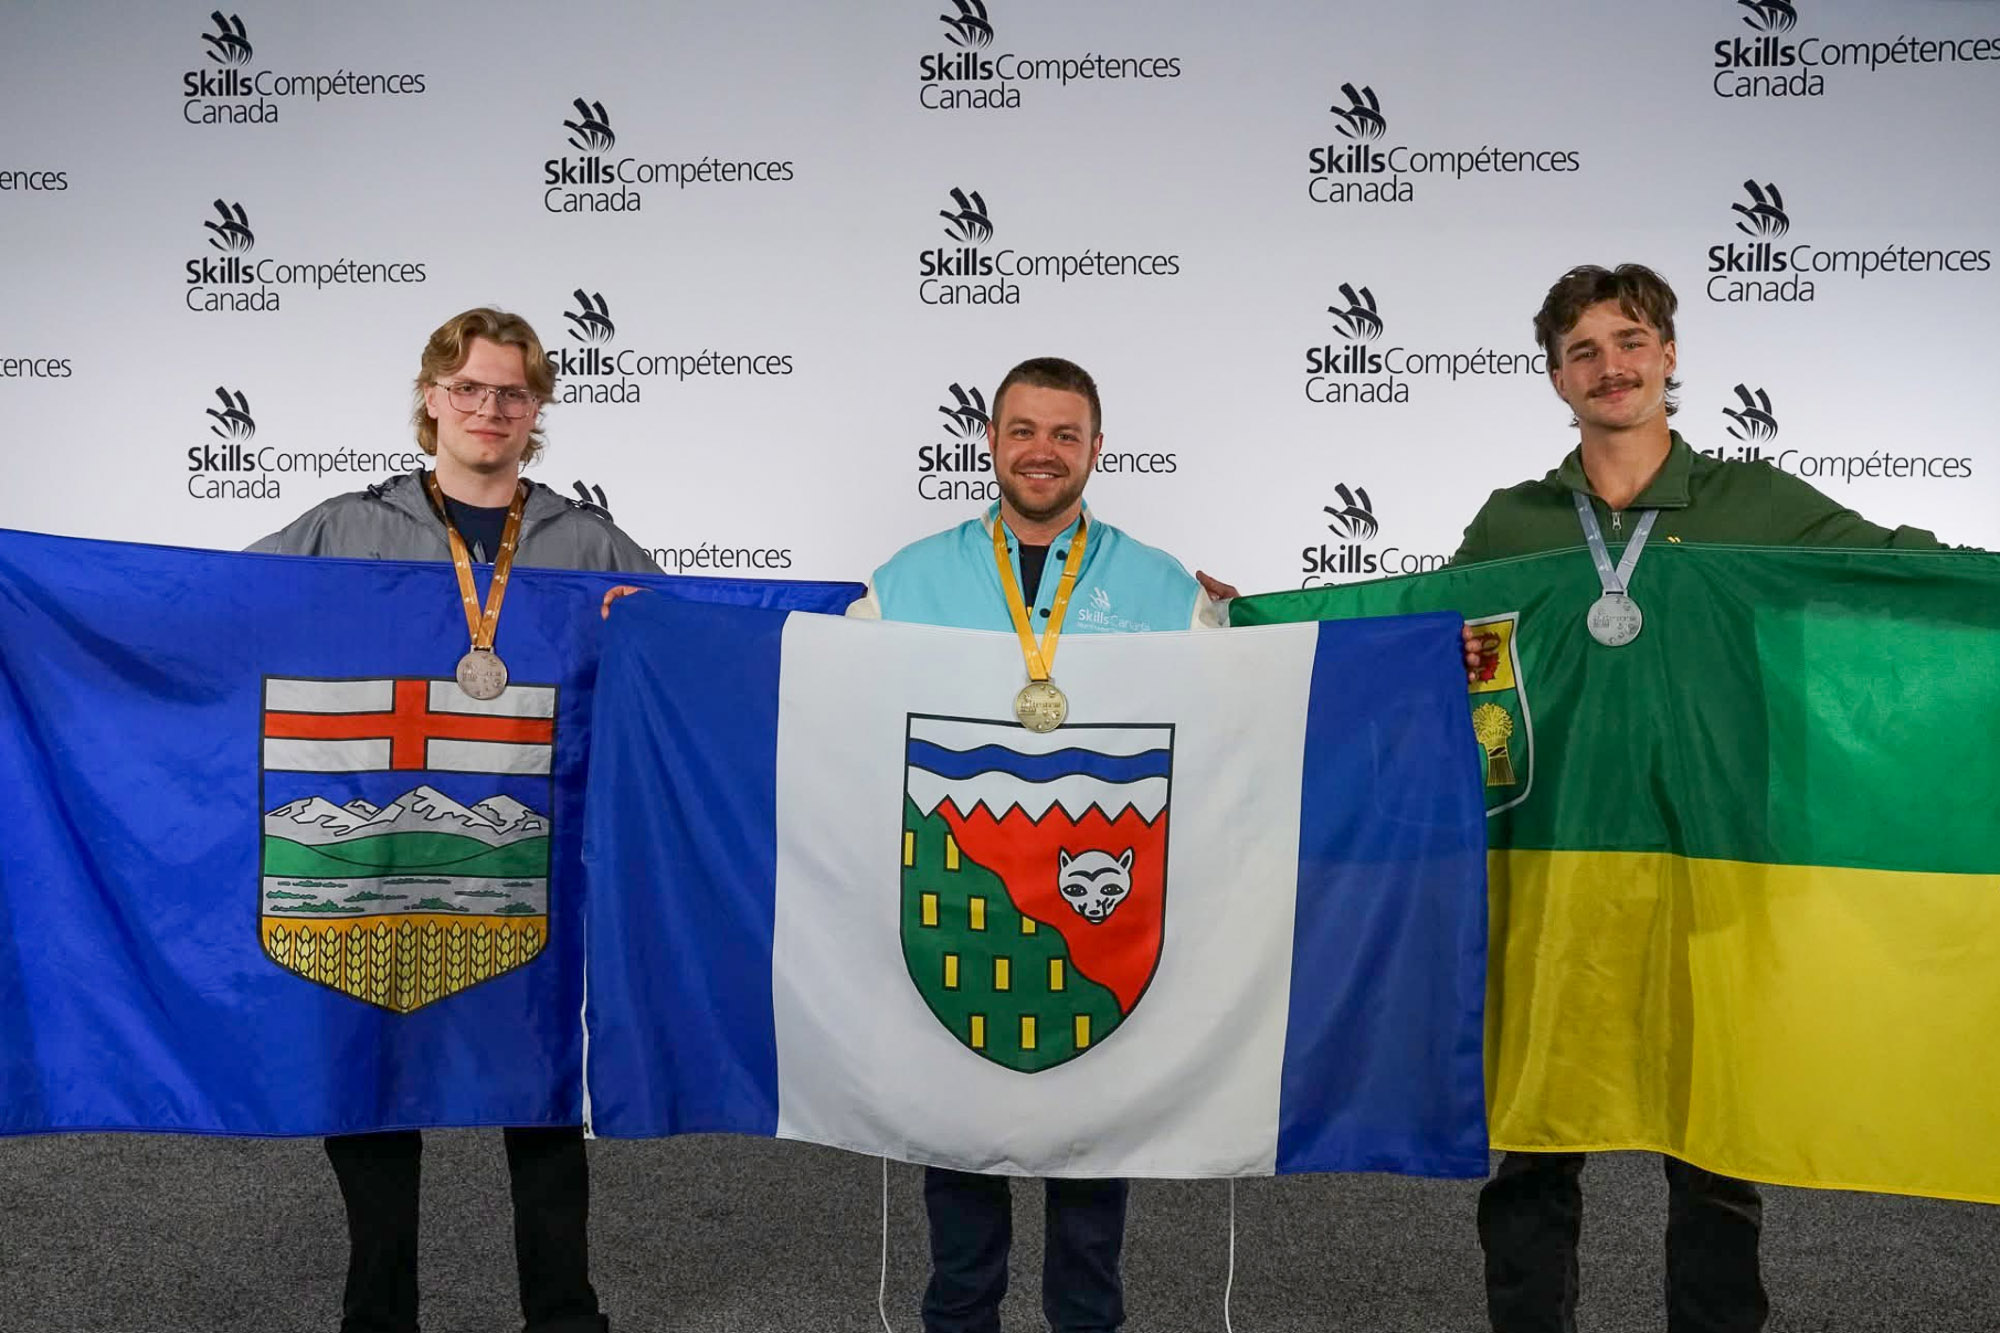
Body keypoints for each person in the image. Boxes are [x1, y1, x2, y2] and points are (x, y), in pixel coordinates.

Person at [1452, 263, 1943, 1333]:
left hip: (1712, 857)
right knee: (1531, 1138)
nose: (1609, 366)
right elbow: (1421, 646)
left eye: (1628, 341)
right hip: (1555, 861)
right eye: (1581, 350)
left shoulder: (1753, 501)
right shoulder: (1511, 521)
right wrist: (1263, 624)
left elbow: (1895, 574)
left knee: (1714, 1146)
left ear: (1667, 356)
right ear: (1553, 378)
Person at [253, 306, 657, 1333]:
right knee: (377, 1088)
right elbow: (219, 609)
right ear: (431, 399)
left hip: (535, 861)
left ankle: (563, 1313)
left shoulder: (587, 541)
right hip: (373, 860)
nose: (489, 409)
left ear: (537, 411)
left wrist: (658, 630)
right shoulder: (347, 527)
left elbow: (679, 659)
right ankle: (378, 1311)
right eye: (469, 389)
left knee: (543, 1094)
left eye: (512, 393)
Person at [849, 356, 1218, 1333]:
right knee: (959, 1180)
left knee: (1090, 1189)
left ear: (1096, 448)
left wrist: (1252, 621)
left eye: (1064, 433)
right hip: (962, 929)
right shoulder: (908, 579)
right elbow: (823, 695)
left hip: (1103, 927)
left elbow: (1237, 713)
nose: (1041, 452)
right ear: (990, 441)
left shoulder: (1160, 587)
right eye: (1022, 430)